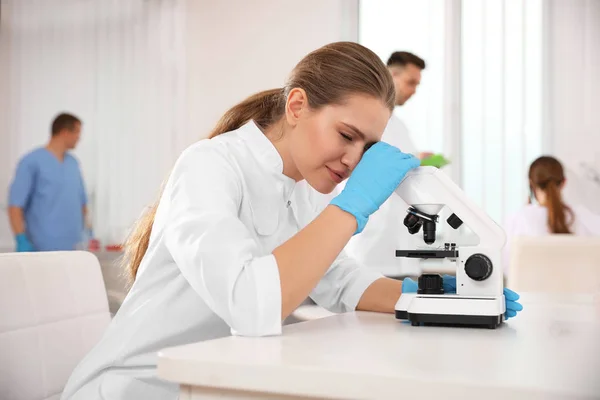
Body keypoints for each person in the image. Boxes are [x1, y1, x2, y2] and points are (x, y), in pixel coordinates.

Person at [61, 42, 522, 400]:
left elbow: (339, 281)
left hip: (214, 383)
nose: (352, 159)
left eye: (367, 148)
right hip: (136, 387)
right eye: (346, 135)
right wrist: (351, 207)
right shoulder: (209, 166)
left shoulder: (301, 189)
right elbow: (251, 304)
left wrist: (440, 300)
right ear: (297, 106)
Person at [330, 51, 434, 278]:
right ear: (390, 76)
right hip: (370, 242)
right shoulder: (361, 122)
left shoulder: (399, 126)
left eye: (417, 85)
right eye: (410, 83)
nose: (414, 91)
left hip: (399, 241)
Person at [7, 113, 90, 252]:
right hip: (41, 248)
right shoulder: (31, 162)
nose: (79, 138)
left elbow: (83, 204)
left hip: (73, 247)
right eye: (77, 132)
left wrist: (89, 231)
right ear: (64, 132)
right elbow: (15, 206)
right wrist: (20, 238)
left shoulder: (73, 163)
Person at [503, 156, 600, 270]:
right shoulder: (582, 218)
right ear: (564, 183)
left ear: (531, 183)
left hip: (525, 288)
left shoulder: (516, 219)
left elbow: (505, 268)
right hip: (574, 287)